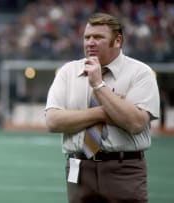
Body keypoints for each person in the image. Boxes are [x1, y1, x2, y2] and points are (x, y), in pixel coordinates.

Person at [45, 13, 160, 203]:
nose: (90, 42)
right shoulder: (68, 72)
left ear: (117, 40)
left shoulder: (141, 73)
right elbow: (53, 121)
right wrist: (103, 112)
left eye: (98, 37)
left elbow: (136, 122)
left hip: (124, 169)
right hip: (78, 167)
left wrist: (98, 85)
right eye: (87, 37)